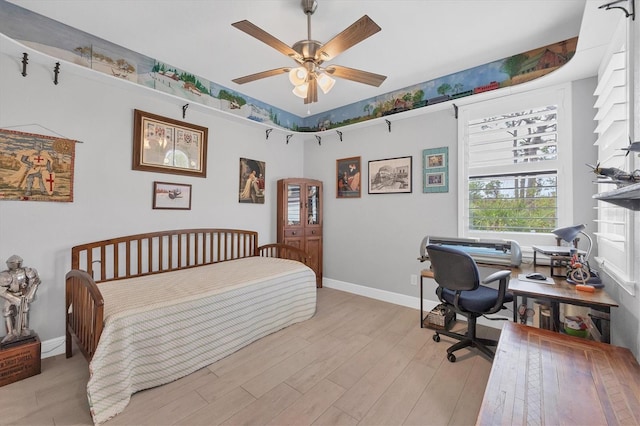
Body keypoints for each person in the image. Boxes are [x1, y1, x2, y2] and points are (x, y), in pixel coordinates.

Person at [0, 255, 41, 344]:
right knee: (6, 311)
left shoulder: (27, 271)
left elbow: (34, 283)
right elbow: (1, 290)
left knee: (25, 310)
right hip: (11, 295)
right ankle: (10, 333)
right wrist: (13, 298)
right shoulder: (5, 275)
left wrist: (30, 291)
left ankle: (24, 328)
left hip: (23, 295)